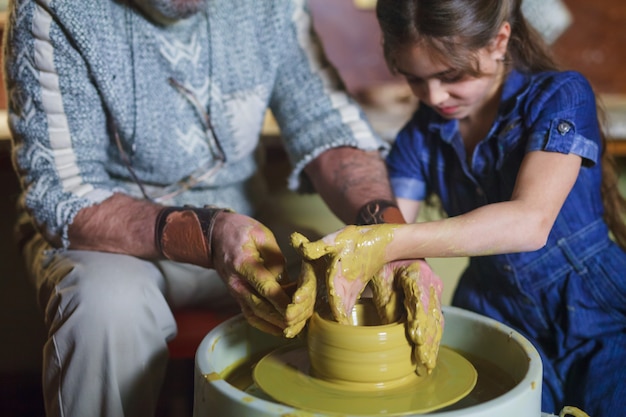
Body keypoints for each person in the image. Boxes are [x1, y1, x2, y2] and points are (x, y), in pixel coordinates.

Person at [3, 0, 441, 416]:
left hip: (243, 226)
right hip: (107, 237)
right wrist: (209, 234)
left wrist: (394, 243)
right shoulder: (53, 11)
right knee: (105, 311)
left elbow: (325, 125)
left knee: (338, 281)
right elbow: (64, 198)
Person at [292, 0, 626, 416]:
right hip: (494, 308)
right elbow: (396, 231)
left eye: (451, 75)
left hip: (595, 304)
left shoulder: (559, 95)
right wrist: (344, 268)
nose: (433, 96)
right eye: (414, 79)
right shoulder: (422, 135)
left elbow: (530, 222)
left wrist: (378, 242)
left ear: (499, 41)